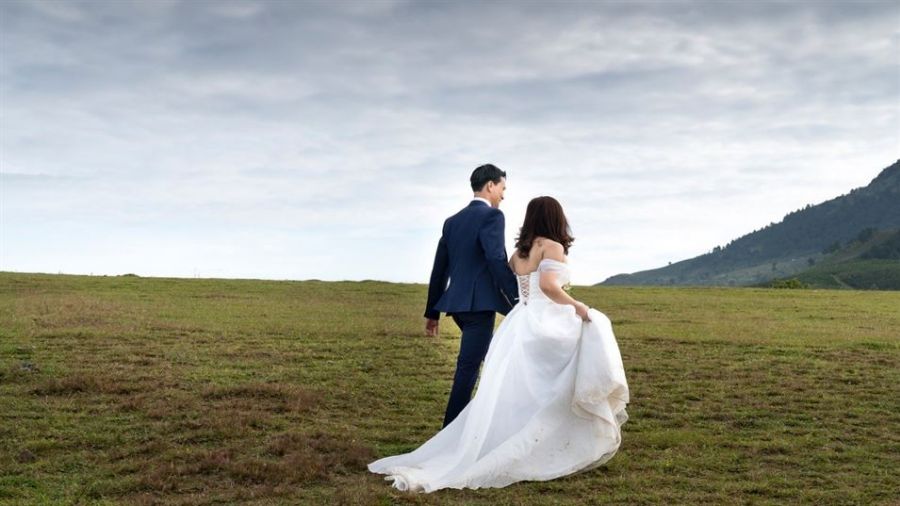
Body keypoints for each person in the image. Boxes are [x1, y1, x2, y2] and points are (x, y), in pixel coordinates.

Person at [368, 196, 629, 492]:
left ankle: (532, 432)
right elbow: (548, 286)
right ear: (556, 217)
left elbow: (508, 281)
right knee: (591, 332)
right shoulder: (552, 246)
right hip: (548, 319)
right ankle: (562, 434)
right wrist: (577, 305)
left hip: (521, 321)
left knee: (522, 386)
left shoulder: (519, 253)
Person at [423, 164, 519, 428]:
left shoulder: (452, 222)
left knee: (495, 364)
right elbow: (496, 259)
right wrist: (518, 300)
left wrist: (432, 313)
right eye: (502, 188)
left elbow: (439, 269)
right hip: (479, 308)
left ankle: (494, 425)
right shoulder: (493, 217)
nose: (503, 195)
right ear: (490, 186)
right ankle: (450, 435)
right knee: (468, 371)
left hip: (458, 307)